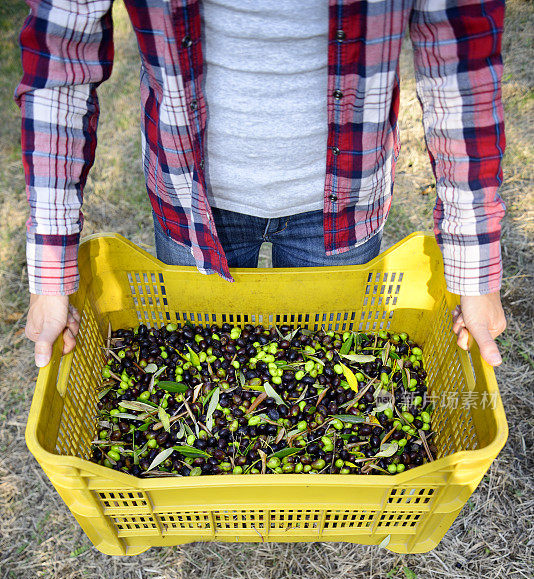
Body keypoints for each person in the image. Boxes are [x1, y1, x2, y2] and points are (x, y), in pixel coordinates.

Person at [16, 0, 507, 369]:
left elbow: (460, 76)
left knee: (330, 374)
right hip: (191, 204)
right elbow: (60, 66)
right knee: (201, 370)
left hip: (343, 203)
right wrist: (51, 273)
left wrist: (476, 271)